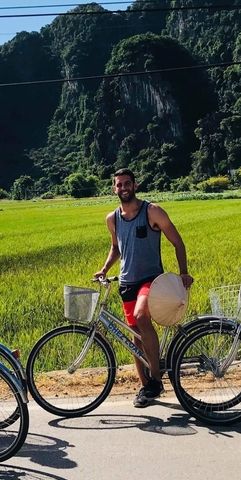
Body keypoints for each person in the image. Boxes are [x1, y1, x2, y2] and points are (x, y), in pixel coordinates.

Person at [94, 169, 193, 408]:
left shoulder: (152, 211)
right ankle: (147, 387)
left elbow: (177, 241)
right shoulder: (112, 218)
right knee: (135, 338)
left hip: (151, 279)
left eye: (127, 183)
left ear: (135, 185)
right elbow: (116, 247)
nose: (123, 188)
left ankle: (156, 379)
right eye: (119, 185)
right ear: (114, 189)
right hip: (127, 283)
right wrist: (105, 269)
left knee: (141, 316)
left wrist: (183, 272)